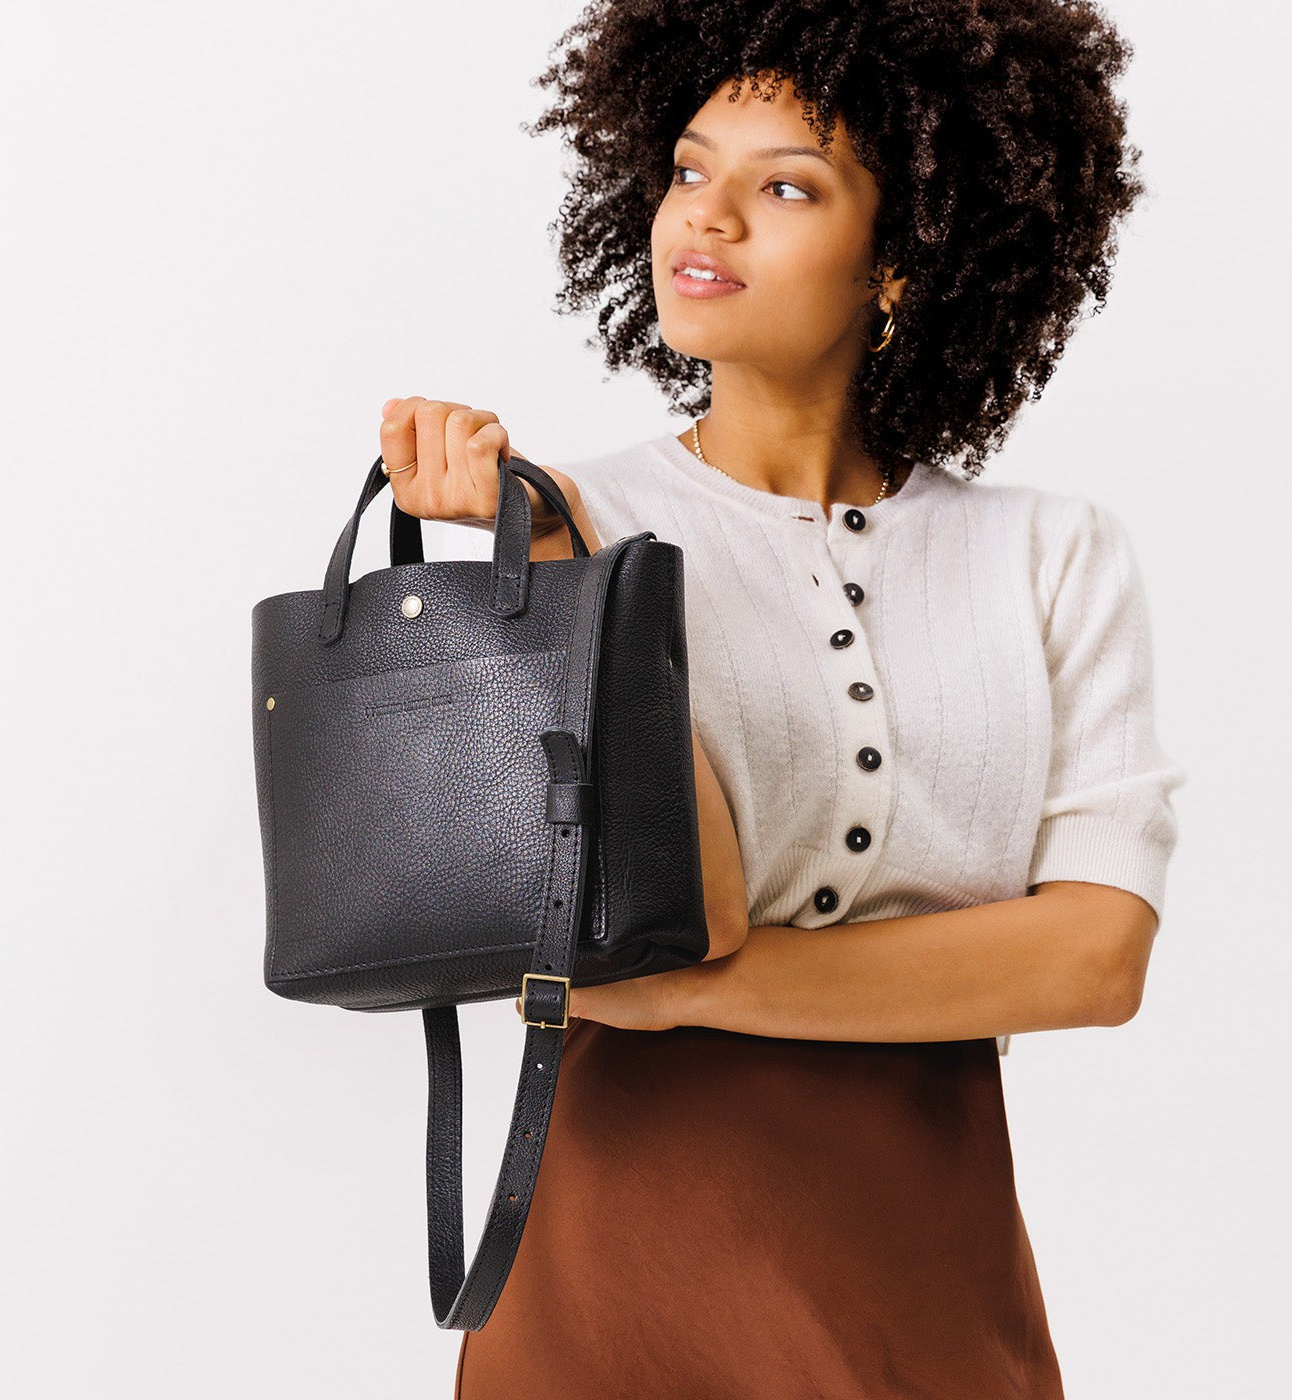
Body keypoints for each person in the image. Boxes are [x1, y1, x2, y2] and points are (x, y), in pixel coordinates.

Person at [378, 3, 1184, 1394]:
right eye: (690, 170)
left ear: (902, 254)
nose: (708, 217)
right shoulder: (572, 524)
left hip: (925, 1250)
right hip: (620, 1246)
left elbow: (1097, 959)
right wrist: (568, 570)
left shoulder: (1053, 556)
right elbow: (678, 904)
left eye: (788, 187)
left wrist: (702, 993)